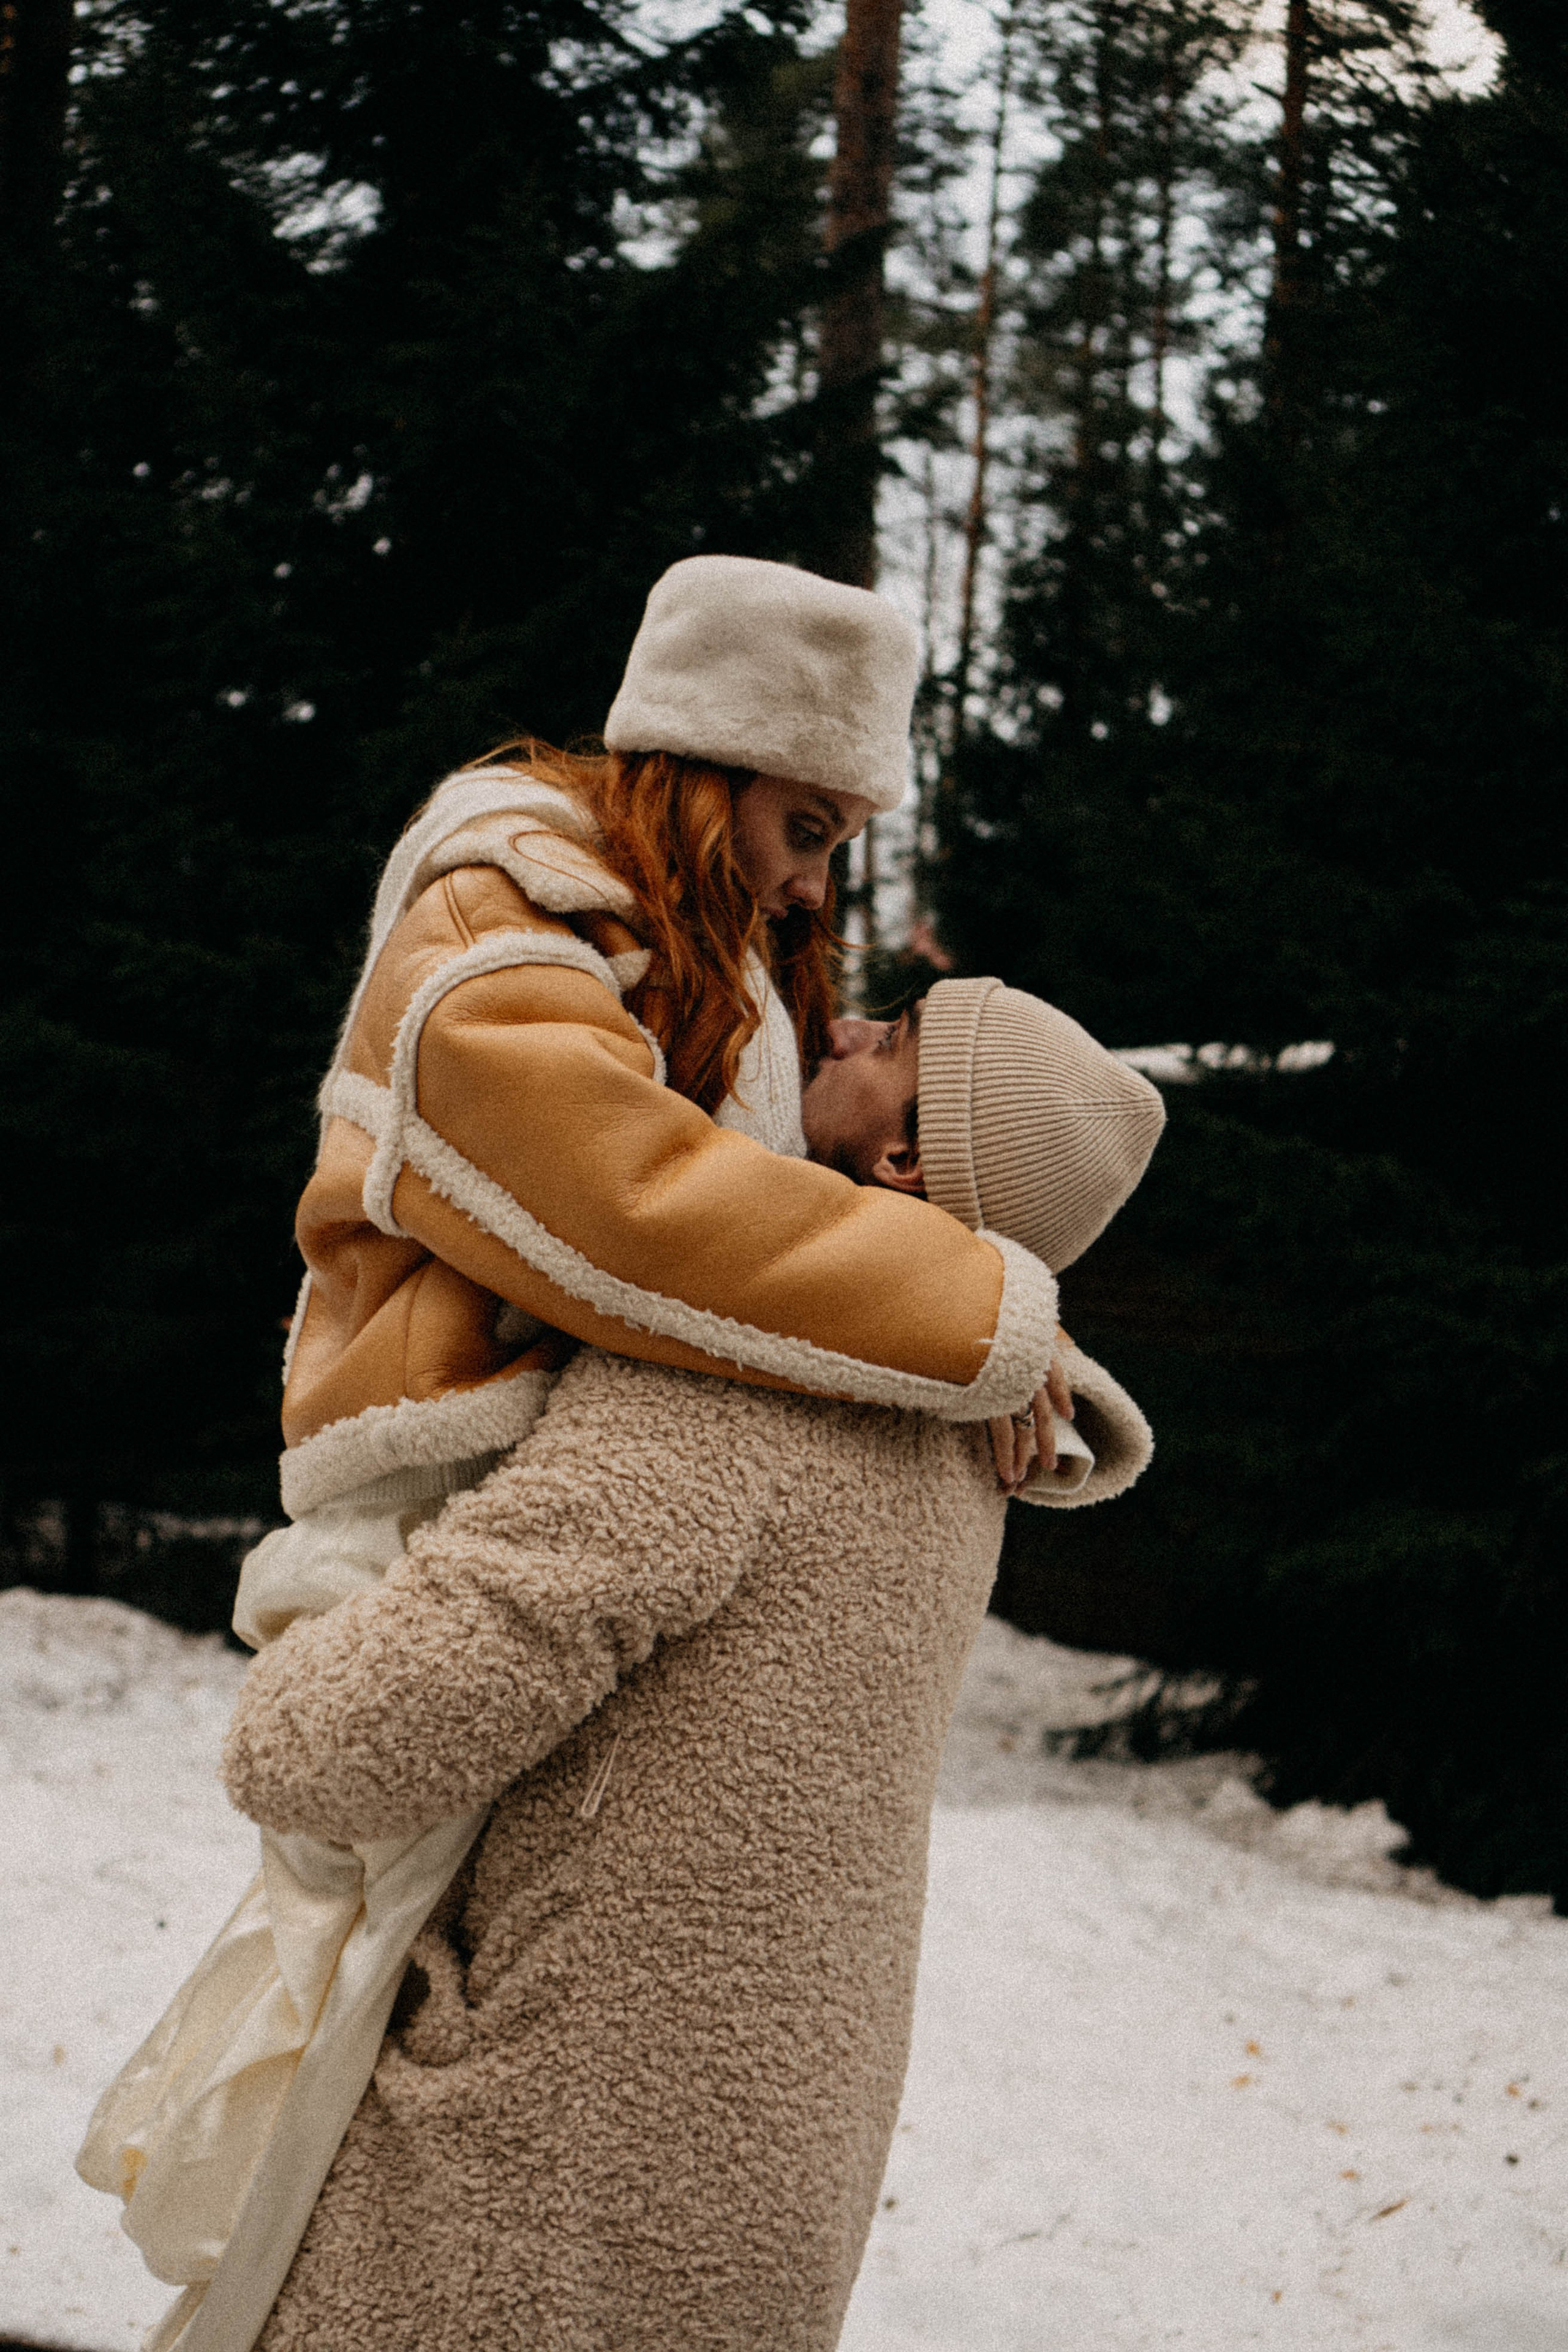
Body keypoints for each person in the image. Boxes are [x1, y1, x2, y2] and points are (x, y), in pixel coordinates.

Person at [75, 557, 1070, 2350]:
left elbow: (329, 1744)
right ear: (705, 764)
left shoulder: (714, 991)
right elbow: (642, 1216)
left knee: (341, 2051)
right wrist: (983, 1306)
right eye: (801, 822)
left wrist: (976, 1324)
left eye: (840, 837)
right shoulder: (491, 931)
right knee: (326, 2031)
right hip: (419, 1493)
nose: (816, 883)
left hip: (562, 2121)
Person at [221, 976, 1166, 2352]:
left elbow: (333, 1747)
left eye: (886, 1038)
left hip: (550, 2182)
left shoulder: (735, 1385)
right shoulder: (971, 1444)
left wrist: (299, 1662)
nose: (837, 1024)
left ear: (901, 1158)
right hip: (768, 2174)